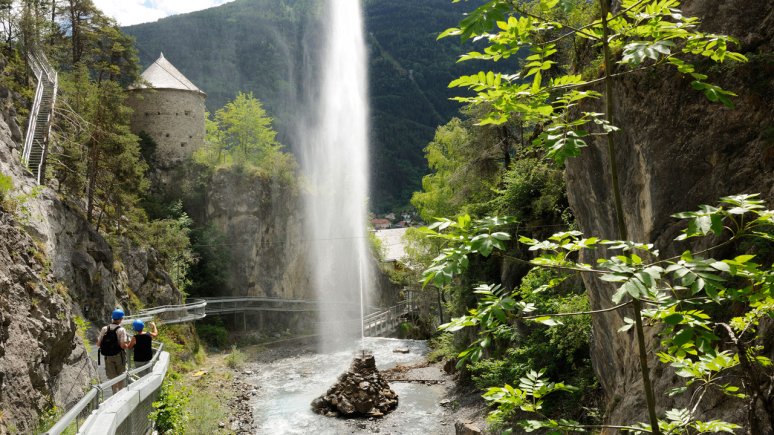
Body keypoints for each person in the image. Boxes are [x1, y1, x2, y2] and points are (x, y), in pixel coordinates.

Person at [96, 308, 130, 393]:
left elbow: (98, 344)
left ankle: (114, 394)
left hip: (108, 357)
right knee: (121, 376)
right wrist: (128, 345)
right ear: (121, 319)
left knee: (112, 377)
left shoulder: (105, 328)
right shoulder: (121, 330)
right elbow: (122, 345)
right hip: (119, 356)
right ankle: (122, 393)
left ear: (113, 318)